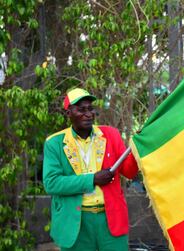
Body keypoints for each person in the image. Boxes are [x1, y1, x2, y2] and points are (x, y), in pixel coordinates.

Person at [43, 88, 138, 251]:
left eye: (90, 109)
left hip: (110, 221)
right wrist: (92, 179)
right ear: (69, 113)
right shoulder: (55, 143)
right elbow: (52, 183)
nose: (88, 114)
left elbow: (129, 172)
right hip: (76, 223)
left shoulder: (111, 135)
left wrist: (138, 149)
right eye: (81, 109)